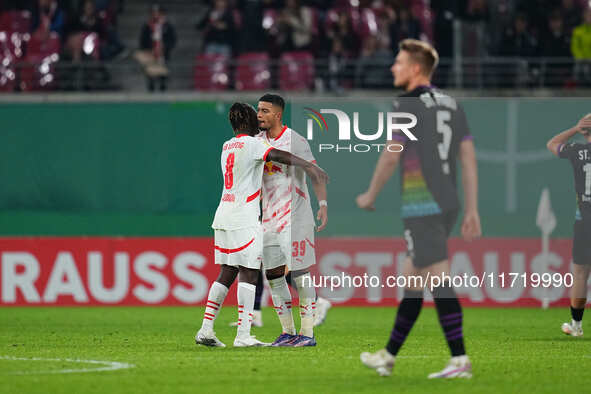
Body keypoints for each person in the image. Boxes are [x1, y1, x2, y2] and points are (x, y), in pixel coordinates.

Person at [356, 39, 481, 378]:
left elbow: (392, 153)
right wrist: (471, 209)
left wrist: (370, 194)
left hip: (422, 204)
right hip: (447, 202)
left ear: (415, 69)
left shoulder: (407, 104)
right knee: (413, 280)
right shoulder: (452, 104)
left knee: (439, 280)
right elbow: (467, 159)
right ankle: (389, 355)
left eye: (398, 62)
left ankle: (460, 360)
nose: (392, 67)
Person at [194, 102, 328, 348]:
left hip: (223, 212)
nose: (259, 117)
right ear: (248, 121)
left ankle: (206, 329)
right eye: (255, 114)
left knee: (227, 271)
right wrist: (309, 165)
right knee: (249, 272)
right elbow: (277, 155)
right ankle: (243, 335)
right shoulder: (255, 143)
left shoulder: (226, 145)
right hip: (244, 215)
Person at [256, 93, 328, 347]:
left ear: (278, 114)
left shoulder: (295, 140)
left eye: (265, 111)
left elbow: (315, 173)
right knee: (274, 275)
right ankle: (288, 332)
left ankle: (307, 334)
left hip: (296, 216)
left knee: (300, 272)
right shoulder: (256, 141)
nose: (259, 115)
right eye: (258, 110)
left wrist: (323, 204)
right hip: (269, 219)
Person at [546, 113, 591, 338]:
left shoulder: (576, 151)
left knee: (581, 273)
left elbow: (552, 144)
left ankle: (576, 324)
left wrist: (575, 128)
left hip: (585, 219)